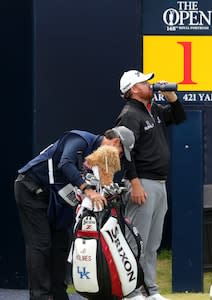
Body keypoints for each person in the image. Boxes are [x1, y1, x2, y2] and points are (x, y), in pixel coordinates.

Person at [14, 126, 135, 300]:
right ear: (116, 142)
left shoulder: (97, 160)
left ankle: (59, 295)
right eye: (121, 153)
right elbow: (65, 163)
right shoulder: (80, 138)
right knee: (40, 244)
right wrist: (89, 191)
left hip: (56, 197)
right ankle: (40, 297)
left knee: (61, 245)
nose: (119, 157)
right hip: (31, 189)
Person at [115, 70, 186, 300]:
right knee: (136, 242)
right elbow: (125, 152)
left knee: (152, 244)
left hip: (158, 183)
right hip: (142, 183)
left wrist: (171, 97)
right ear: (134, 89)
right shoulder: (129, 115)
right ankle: (131, 291)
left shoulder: (151, 110)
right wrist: (134, 183)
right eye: (144, 82)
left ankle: (150, 290)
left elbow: (179, 116)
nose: (150, 84)